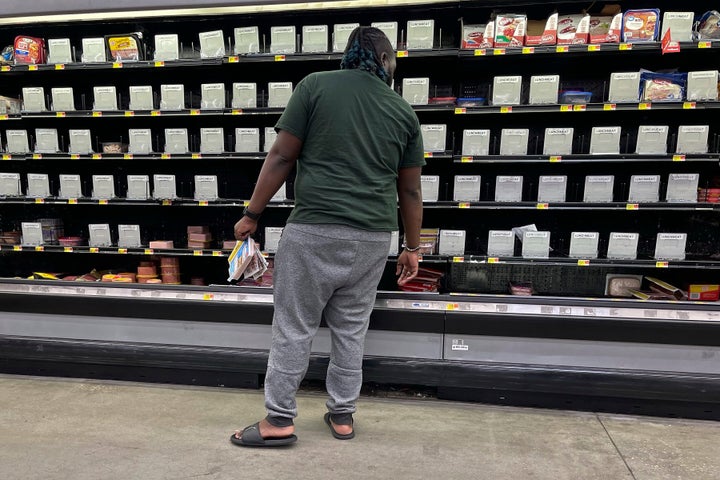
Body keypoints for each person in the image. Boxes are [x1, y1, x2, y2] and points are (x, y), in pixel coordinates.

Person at [230, 26, 424, 447]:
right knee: (351, 331)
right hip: (373, 238)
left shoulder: (315, 87)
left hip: (314, 229)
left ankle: (279, 421)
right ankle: (342, 414)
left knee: (294, 327)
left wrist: (252, 214)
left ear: (348, 54)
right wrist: (412, 247)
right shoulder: (402, 110)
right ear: (388, 62)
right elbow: (409, 189)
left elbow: (282, 155)